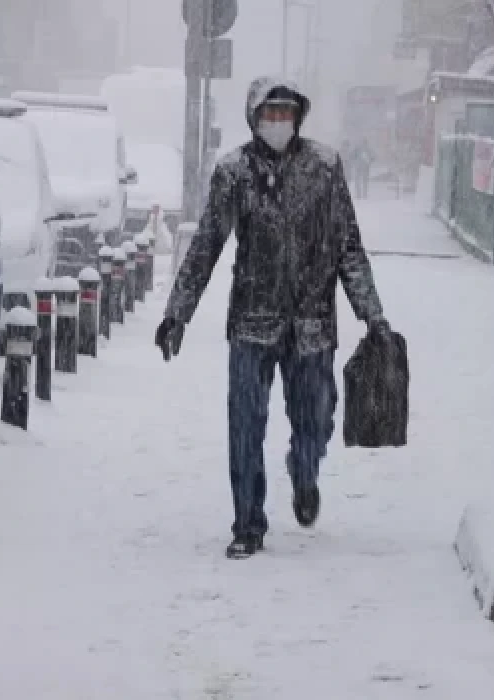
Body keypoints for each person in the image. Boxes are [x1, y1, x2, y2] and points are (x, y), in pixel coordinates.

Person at [154, 77, 391, 560]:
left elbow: (348, 247)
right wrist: (177, 313)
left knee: (315, 420)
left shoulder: (324, 169)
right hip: (252, 322)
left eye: (286, 114)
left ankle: (305, 472)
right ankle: (248, 523)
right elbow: (206, 247)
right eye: (270, 113)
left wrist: (373, 315)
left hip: (311, 325)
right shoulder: (233, 173)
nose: (278, 122)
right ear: (254, 117)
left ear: (299, 117)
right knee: (245, 426)